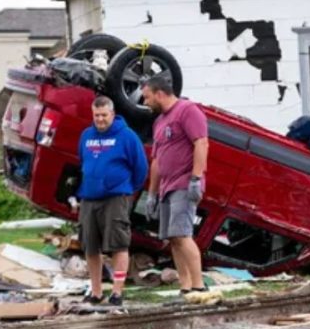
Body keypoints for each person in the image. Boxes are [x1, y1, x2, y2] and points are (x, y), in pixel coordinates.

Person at [72, 96, 148, 306]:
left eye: (104, 115)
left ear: (112, 114)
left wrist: (126, 189)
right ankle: (96, 291)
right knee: (90, 246)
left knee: (118, 244)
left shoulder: (127, 136)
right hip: (89, 197)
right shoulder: (87, 136)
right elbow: (82, 161)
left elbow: (140, 168)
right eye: (96, 115)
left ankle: (117, 292)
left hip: (116, 197)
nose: (100, 120)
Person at [141, 75, 208, 295]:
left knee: (183, 234)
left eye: (147, 97)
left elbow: (201, 142)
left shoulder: (187, 110)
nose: (145, 103)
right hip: (166, 188)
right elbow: (157, 160)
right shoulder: (159, 122)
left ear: (160, 93)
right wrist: (151, 194)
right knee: (173, 238)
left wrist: (196, 178)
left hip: (184, 183)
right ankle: (185, 286)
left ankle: (199, 286)